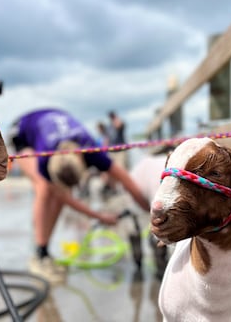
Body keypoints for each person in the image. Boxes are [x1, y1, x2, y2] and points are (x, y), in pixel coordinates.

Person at [9, 108, 151, 283]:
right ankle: (40, 254)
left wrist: (149, 209)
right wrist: (100, 217)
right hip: (23, 130)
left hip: (52, 122)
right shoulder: (44, 159)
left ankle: (44, 251)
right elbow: (62, 196)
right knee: (44, 188)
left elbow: (125, 179)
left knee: (56, 194)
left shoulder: (91, 151)